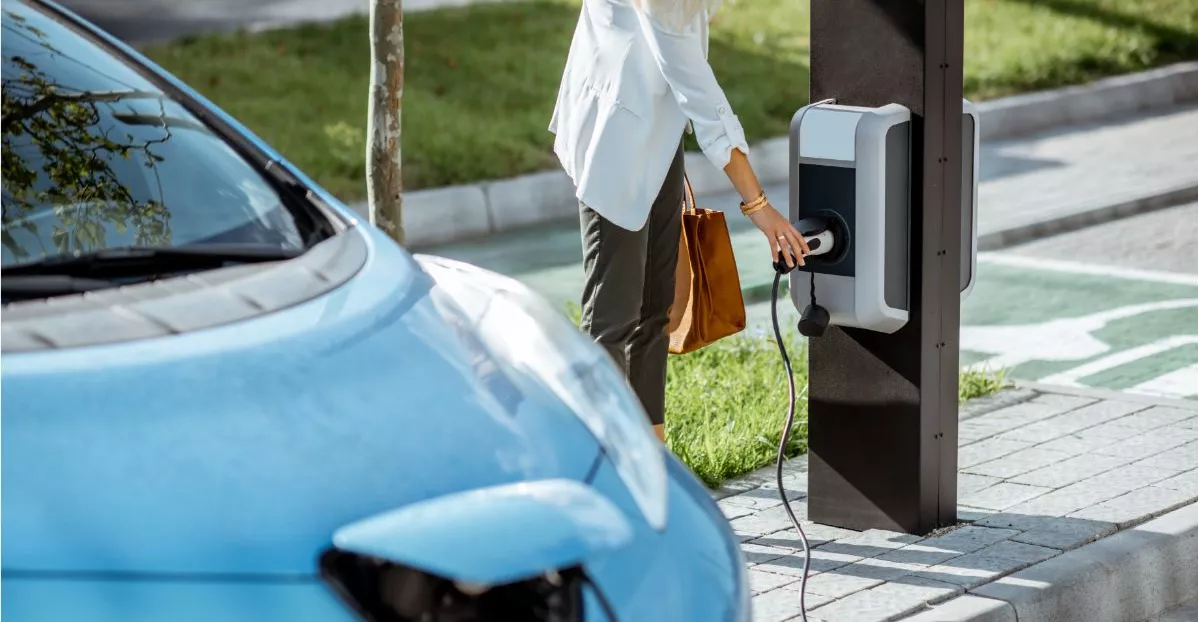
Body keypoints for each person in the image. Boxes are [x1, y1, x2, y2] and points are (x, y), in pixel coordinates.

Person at [549, 0, 809, 442]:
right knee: (612, 319)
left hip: (657, 136)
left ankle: (653, 452)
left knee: (655, 311)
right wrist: (757, 205)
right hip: (612, 139)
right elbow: (700, 94)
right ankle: (598, 462)